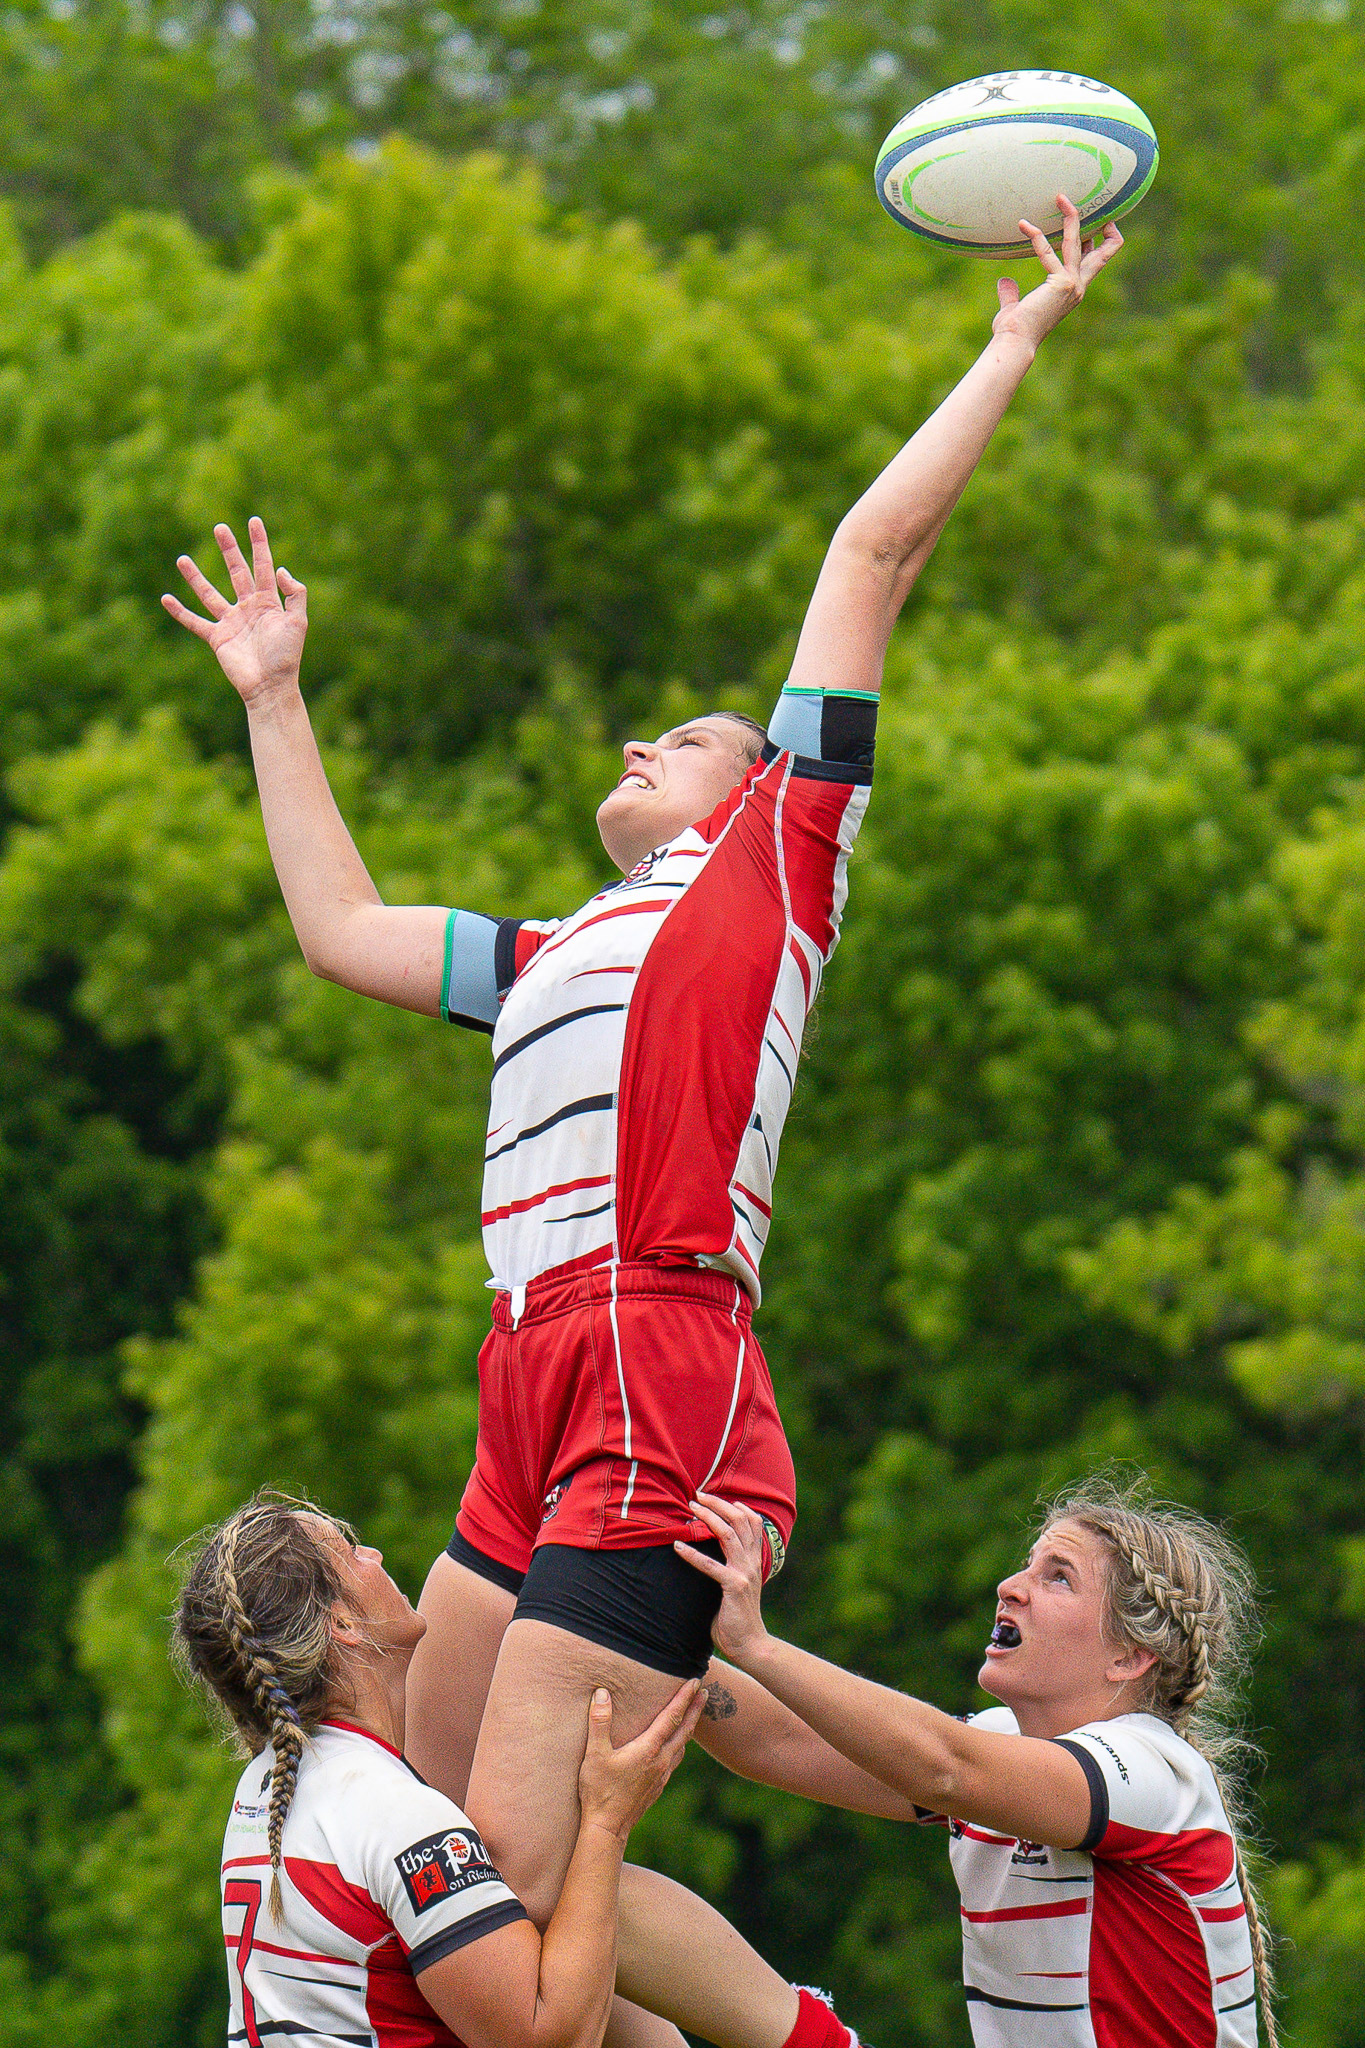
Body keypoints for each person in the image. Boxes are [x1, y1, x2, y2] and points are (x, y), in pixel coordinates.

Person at [162, 196, 1124, 2042]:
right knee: (446, 1847)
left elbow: (872, 547)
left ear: (759, 780)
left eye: (683, 733)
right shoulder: (546, 951)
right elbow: (340, 931)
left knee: (510, 1901)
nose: (639, 745)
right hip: (528, 1376)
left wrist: (1007, 344)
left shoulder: (772, 860)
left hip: (654, 1369)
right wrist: (278, 698)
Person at [678, 1478, 1278, 2048]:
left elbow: (944, 1765)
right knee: (600, 1908)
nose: (1011, 1586)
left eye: (1059, 1579)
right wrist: (654, 1629)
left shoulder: (1154, 1771)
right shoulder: (1005, 1743)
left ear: (1127, 1656)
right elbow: (779, 1744)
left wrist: (755, 1644)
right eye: (1029, 1565)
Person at [173, 1489, 706, 2048]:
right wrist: (606, 1820)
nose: (374, 1556)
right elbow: (552, 2038)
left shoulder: (261, 1791)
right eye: (351, 1550)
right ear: (343, 1626)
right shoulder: (398, 1819)